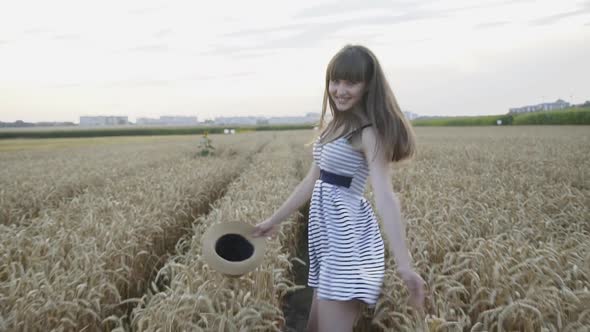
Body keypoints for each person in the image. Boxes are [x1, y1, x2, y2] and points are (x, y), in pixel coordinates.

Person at [252, 44, 426, 332]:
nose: (340, 90)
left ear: (368, 85)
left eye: (351, 82)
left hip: (347, 245)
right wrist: (273, 221)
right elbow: (312, 181)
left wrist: (405, 264)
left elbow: (384, 195)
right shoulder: (333, 126)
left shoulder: (368, 133)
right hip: (327, 243)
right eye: (335, 81)